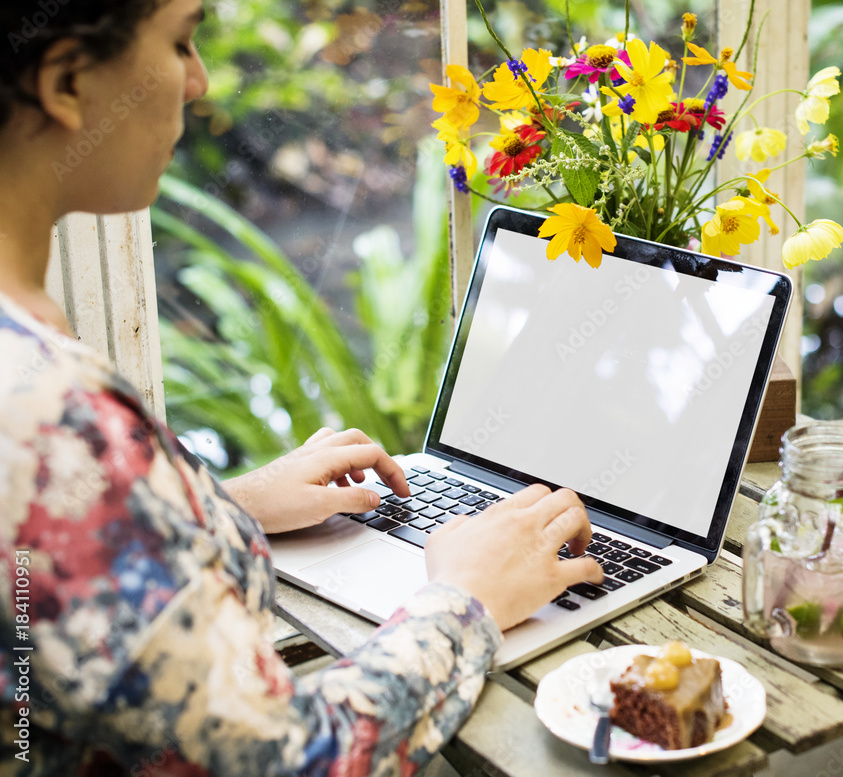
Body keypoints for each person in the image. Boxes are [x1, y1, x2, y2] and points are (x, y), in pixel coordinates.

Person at [0, 1, 604, 774]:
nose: (197, 80)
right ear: (67, 81)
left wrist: (219, 506)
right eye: (181, 41)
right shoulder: (53, 421)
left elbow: (55, 572)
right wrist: (468, 599)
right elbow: (292, 759)